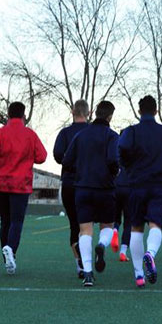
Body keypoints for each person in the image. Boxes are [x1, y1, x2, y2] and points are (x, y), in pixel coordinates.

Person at [118, 96, 162, 287]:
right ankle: (151, 253)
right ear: (156, 111)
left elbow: (121, 148)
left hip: (137, 184)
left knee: (136, 228)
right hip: (159, 184)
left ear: (139, 111)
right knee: (156, 224)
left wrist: (129, 167)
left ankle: (139, 275)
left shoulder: (132, 131)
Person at [0, 102, 47, 275]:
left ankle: (7, 258)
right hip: (21, 183)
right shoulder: (30, 135)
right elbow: (42, 156)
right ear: (23, 115)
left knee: (5, 221)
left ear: (8, 114)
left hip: (2, 182)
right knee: (16, 221)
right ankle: (11, 250)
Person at [63, 101, 120, 287]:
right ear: (110, 116)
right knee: (107, 226)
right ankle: (102, 246)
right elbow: (113, 159)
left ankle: (87, 273)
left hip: (83, 188)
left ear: (95, 112)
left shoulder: (80, 135)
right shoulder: (112, 136)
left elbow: (67, 160)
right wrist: (112, 173)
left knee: (85, 231)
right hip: (105, 188)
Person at [53, 99, 90, 279]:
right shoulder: (93, 132)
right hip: (91, 183)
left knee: (74, 225)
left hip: (69, 183)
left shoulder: (65, 133)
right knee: (88, 225)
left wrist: (70, 160)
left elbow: (58, 155)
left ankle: (80, 264)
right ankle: (88, 260)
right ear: (88, 113)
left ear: (73, 113)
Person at [113, 157, 131, 262]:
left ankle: (115, 230)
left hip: (116, 187)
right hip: (129, 188)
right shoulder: (133, 149)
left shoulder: (115, 148)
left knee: (116, 218)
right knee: (128, 222)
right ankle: (123, 252)